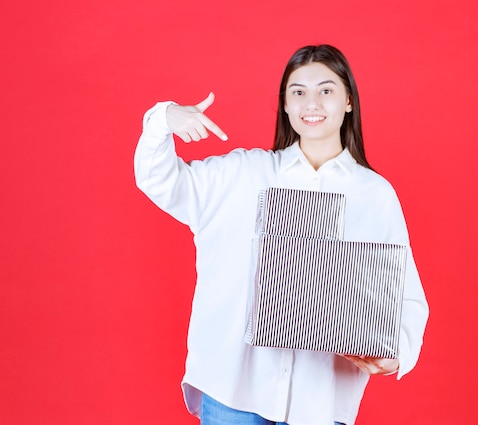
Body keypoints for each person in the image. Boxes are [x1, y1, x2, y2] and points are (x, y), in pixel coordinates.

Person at [134, 44, 428, 425]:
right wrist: (163, 119)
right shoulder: (242, 175)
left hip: (319, 399)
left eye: (326, 90)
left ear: (349, 101)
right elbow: (160, 180)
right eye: (298, 92)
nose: (312, 103)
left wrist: (397, 352)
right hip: (233, 392)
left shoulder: (374, 194)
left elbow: (404, 291)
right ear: (285, 106)